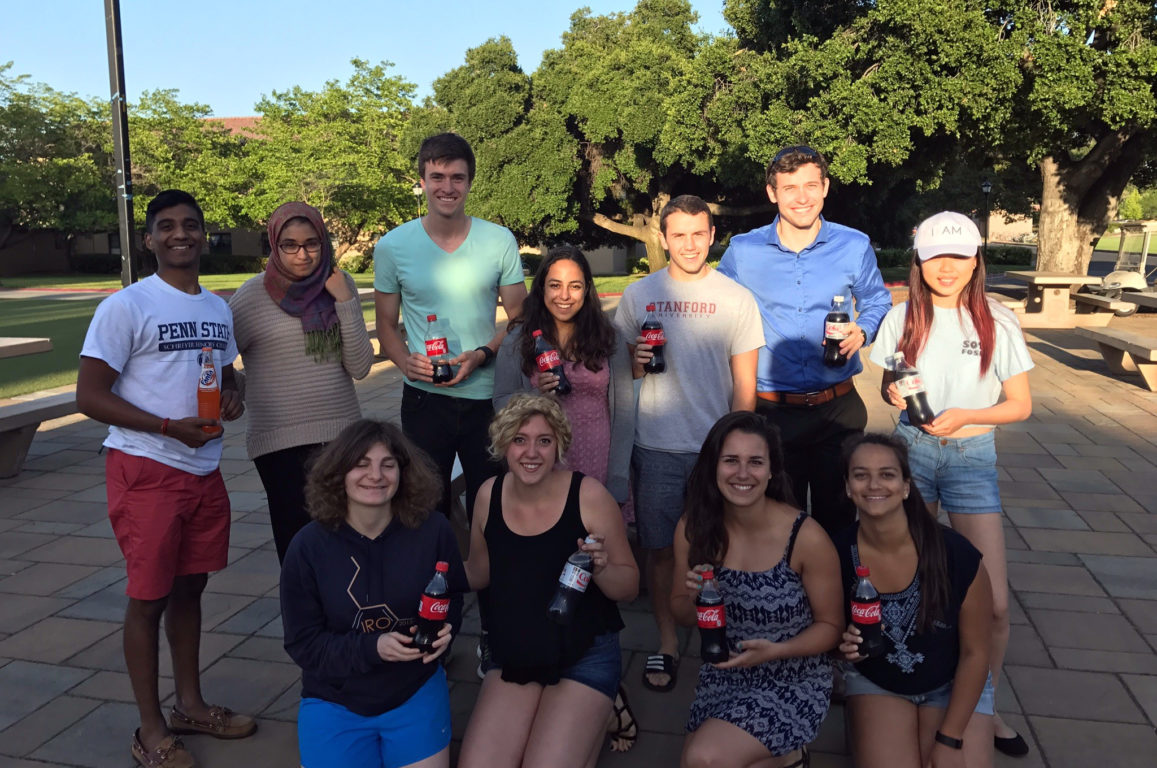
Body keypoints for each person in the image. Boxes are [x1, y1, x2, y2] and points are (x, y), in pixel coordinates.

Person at [77, 189, 254, 768]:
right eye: (168, 226)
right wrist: (164, 426)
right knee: (147, 600)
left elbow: (228, 370)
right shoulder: (127, 307)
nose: (181, 234)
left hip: (202, 468)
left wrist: (233, 394)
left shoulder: (215, 308)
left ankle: (190, 705)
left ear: (205, 235)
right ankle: (150, 729)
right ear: (150, 238)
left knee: (190, 590)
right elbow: (89, 395)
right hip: (146, 468)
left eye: (192, 225)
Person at [868, 211, 1033, 758]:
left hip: (970, 455)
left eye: (959, 256)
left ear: (975, 259)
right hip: (909, 454)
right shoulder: (901, 316)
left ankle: (984, 703)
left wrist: (964, 416)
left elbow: (1020, 405)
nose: (947, 267)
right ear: (918, 259)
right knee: (911, 586)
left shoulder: (997, 320)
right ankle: (906, 680)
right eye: (936, 255)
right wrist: (893, 394)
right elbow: (890, 379)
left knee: (996, 605)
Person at [613, 194, 764, 693]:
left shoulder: (735, 298)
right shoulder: (639, 295)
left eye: (699, 233)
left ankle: (725, 638)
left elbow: (745, 386)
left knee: (722, 547)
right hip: (655, 445)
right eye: (678, 234)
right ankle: (666, 641)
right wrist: (636, 360)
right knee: (658, 550)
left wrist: (737, 449)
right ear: (662, 238)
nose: (690, 244)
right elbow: (625, 372)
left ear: (712, 235)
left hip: (713, 451)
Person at [718, 145, 892, 536]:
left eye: (811, 185)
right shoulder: (744, 251)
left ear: (825, 187)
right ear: (772, 193)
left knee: (840, 524)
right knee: (778, 525)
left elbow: (878, 298)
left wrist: (864, 328)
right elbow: (715, 304)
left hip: (837, 411)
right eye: (790, 187)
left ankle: (843, 596)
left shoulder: (854, 245)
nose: (802, 197)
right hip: (772, 414)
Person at [458, 395, 639, 768]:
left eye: (544, 440)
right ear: (502, 444)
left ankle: (604, 706)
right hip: (515, 651)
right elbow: (479, 572)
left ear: (559, 445)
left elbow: (629, 587)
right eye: (519, 439)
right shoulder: (487, 495)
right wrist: (421, 571)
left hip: (582, 654)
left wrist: (602, 568)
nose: (532, 452)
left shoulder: (588, 495)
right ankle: (591, 717)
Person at [280, 419, 467, 768]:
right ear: (339, 472)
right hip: (335, 696)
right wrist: (373, 647)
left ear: (403, 472)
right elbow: (302, 642)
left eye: (388, 464)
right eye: (361, 464)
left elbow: (452, 597)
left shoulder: (434, 531)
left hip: (414, 688)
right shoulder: (308, 546)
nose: (376, 476)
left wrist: (446, 632)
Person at [671, 411, 842, 768]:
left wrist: (776, 651)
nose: (743, 474)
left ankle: (789, 751)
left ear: (771, 470)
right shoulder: (694, 527)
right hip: (724, 671)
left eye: (755, 462)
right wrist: (692, 598)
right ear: (713, 466)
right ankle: (789, 759)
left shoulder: (805, 536)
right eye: (731, 461)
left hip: (793, 675)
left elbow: (831, 628)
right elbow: (683, 615)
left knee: (702, 759)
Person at [373, 132, 528, 526]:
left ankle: (491, 587)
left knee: (491, 505)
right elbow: (387, 325)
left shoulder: (498, 241)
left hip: (489, 396)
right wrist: (406, 363)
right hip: (426, 399)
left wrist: (483, 354)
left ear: (470, 182)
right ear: (422, 181)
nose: (447, 187)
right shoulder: (392, 246)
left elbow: (520, 317)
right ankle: (437, 587)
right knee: (425, 508)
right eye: (437, 177)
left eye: (457, 178)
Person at [835, 433, 995, 768]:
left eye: (888, 474)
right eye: (861, 475)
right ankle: (865, 727)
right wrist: (841, 644)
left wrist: (950, 739)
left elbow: (977, 652)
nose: (874, 485)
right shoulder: (835, 553)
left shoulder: (955, 553)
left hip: (952, 682)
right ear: (848, 487)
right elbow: (827, 632)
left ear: (906, 486)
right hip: (879, 681)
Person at [229, 201, 374, 564]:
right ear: (274, 246)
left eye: (312, 243)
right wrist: (238, 390)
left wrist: (344, 301)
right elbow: (218, 360)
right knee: (298, 549)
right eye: (289, 245)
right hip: (279, 443)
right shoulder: (250, 297)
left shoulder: (341, 284)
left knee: (349, 544)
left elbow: (360, 366)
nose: (302, 254)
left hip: (342, 437)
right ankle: (304, 621)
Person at [493, 245, 634, 508]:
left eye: (575, 286)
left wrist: (617, 477)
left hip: (597, 461)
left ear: (587, 289)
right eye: (555, 285)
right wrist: (535, 398)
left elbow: (624, 414)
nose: (565, 296)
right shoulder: (518, 340)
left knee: (596, 544)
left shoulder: (609, 337)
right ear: (542, 289)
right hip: (542, 462)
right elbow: (501, 401)